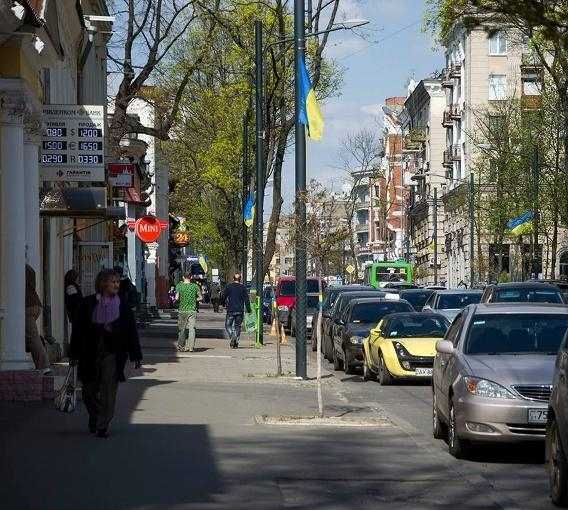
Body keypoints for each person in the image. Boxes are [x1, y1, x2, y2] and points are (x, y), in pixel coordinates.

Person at [69, 269, 142, 438]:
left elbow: (131, 331)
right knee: (88, 391)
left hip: (113, 354)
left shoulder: (123, 306)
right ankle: (95, 415)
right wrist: (73, 353)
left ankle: (102, 424)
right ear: (102, 284)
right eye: (113, 282)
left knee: (108, 390)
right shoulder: (87, 304)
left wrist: (135, 354)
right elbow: (78, 331)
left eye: (118, 282)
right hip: (89, 353)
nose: (117, 284)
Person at [25, 264, 51, 374]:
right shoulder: (29, 268)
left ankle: (44, 366)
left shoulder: (19, 267)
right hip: (35, 304)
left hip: (28, 306)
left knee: (32, 337)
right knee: (30, 334)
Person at [222, 273, 251, 349]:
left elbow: (223, 296)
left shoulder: (229, 286)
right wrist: (248, 309)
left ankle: (232, 336)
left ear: (233, 279)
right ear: (240, 279)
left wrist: (223, 304)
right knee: (237, 326)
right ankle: (236, 342)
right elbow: (247, 300)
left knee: (228, 325)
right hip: (240, 310)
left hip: (231, 309)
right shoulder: (243, 288)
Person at [176, 273, 201, 352]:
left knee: (182, 329)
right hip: (192, 310)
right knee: (192, 329)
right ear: (191, 277)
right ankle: (191, 347)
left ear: (183, 277)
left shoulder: (179, 286)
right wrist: (194, 300)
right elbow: (200, 297)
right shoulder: (195, 286)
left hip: (182, 310)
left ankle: (181, 346)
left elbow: (177, 298)